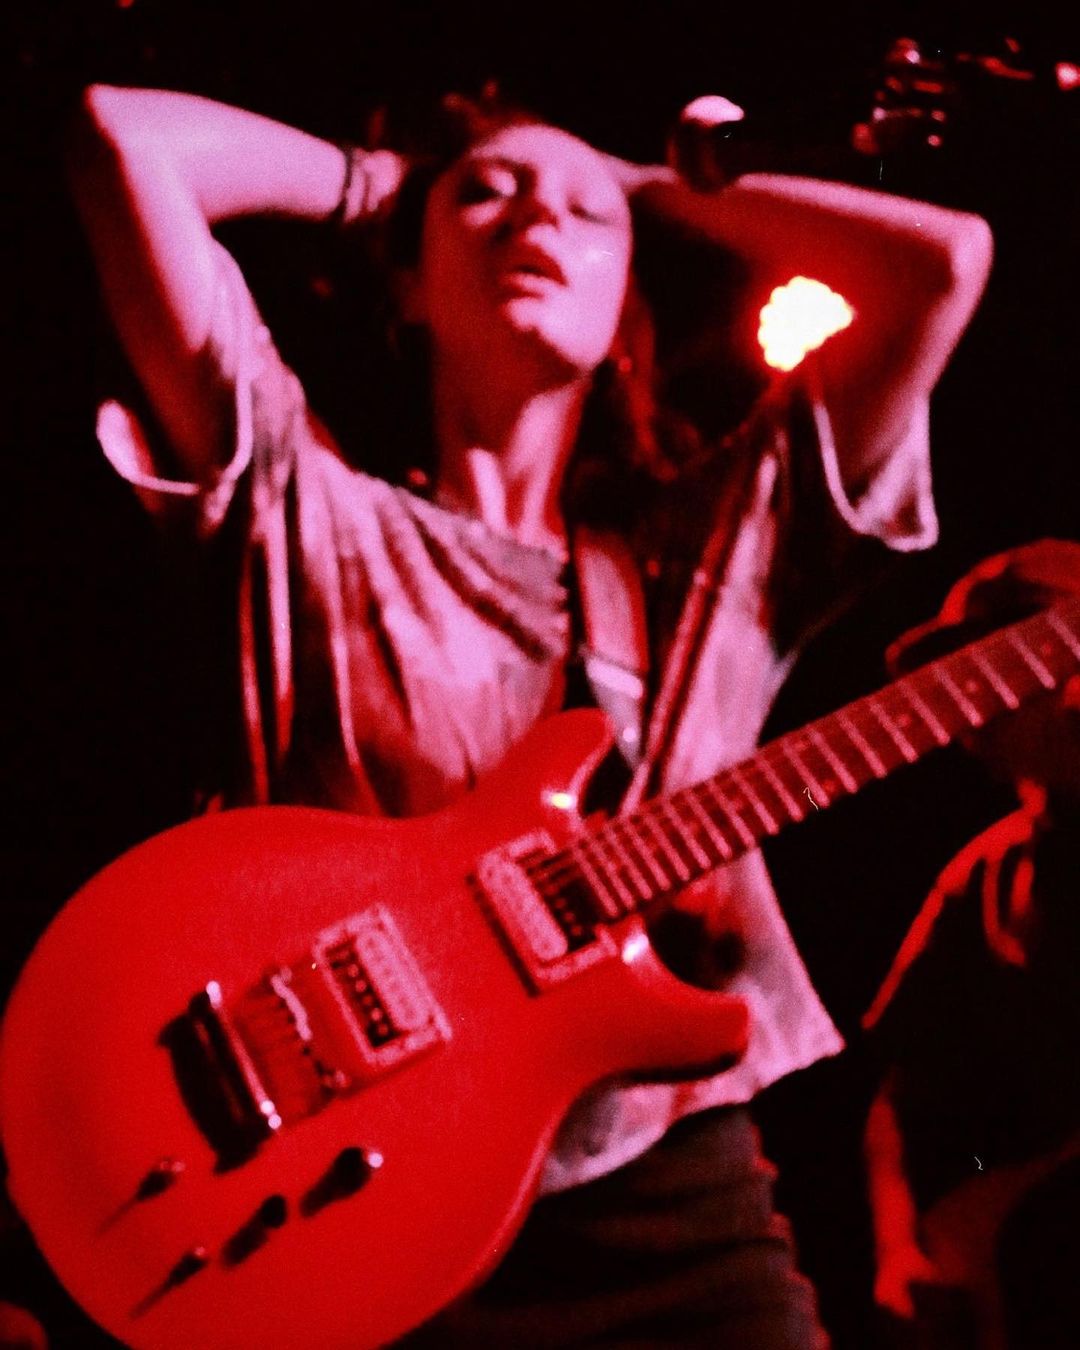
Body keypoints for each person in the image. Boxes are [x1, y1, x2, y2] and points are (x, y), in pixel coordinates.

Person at [10, 76, 991, 1348]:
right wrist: (386, 187)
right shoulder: (315, 512)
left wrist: (653, 191)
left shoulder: (707, 555)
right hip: (343, 1193)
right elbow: (118, 137)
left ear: (625, 309)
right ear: (409, 284)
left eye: (583, 218)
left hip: (663, 1191)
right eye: (490, 196)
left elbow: (940, 265)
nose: (537, 218)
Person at [862, 540, 1080, 1350]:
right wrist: (901, 1250)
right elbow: (901, 1095)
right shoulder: (984, 876)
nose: (963, 721)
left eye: (989, 683)